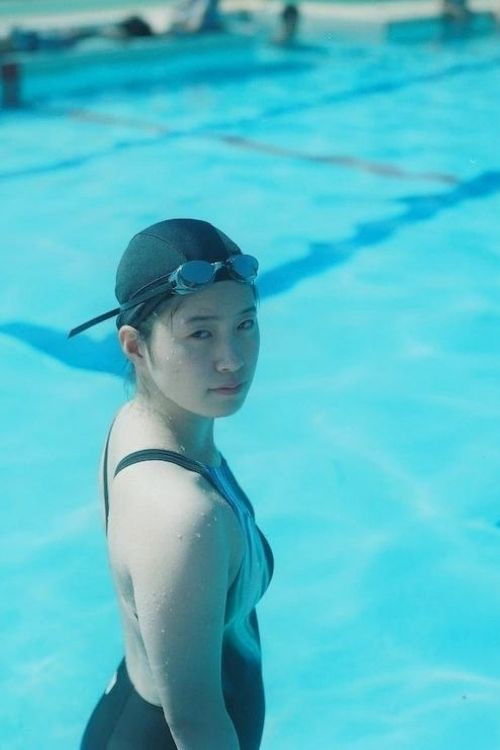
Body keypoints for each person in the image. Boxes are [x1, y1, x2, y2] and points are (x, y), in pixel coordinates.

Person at [69, 218, 274, 749]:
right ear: (135, 346)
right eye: (200, 333)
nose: (232, 359)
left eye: (245, 324)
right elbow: (196, 724)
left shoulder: (139, 422)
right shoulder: (182, 515)